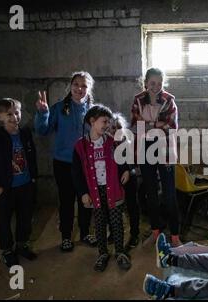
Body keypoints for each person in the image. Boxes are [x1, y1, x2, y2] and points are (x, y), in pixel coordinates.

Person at [34, 71, 97, 252]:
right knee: (66, 200)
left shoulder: (94, 111)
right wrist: (43, 113)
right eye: (76, 84)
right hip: (63, 162)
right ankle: (66, 237)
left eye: (84, 85)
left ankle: (85, 233)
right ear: (70, 86)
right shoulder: (59, 108)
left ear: (89, 89)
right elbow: (42, 130)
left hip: (87, 164)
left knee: (86, 199)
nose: (79, 88)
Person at [72, 105, 132, 272]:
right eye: (104, 121)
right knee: (99, 223)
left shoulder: (112, 142)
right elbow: (76, 173)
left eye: (108, 122)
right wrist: (83, 192)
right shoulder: (80, 146)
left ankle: (120, 252)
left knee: (116, 221)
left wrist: (125, 169)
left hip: (112, 189)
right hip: (95, 191)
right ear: (92, 121)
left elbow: (121, 159)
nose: (107, 125)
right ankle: (103, 254)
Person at [130, 67, 181, 247]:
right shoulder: (138, 100)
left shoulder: (169, 100)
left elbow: (171, 126)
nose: (156, 86)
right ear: (145, 83)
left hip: (165, 148)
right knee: (150, 192)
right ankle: (155, 232)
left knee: (169, 195)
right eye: (152, 83)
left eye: (159, 83)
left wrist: (148, 126)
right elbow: (136, 126)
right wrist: (156, 126)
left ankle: (175, 236)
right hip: (145, 148)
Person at [0, 98, 38, 267]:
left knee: (25, 218)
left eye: (17, 112)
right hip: (7, 188)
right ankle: (7, 250)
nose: (14, 117)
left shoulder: (25, 133)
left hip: (25, 185)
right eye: (9, 114)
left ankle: (22, 245)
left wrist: (33, 177)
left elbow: (32, 156)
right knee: (5, 220)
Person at [108, 112, 140, 251]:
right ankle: (114, 234)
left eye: (117, 127)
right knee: (113, 207)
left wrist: (128, 170)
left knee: (132, 206)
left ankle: (134, 235)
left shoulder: (128, 142)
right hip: (112, 179)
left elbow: (134, 163)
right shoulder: (105, 144)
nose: (114, 130)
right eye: (111, 127)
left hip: (129, 178)